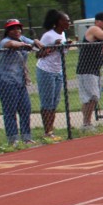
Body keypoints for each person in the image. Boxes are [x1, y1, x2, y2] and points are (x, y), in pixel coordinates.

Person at [0, 19, 42, 146]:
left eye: (18, 28)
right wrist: (22, 45)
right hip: (6, 80)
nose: (16, 31)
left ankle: (26, 138)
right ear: (8, 31)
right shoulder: (5, 41)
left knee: (25, 108)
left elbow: (34, 43)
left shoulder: (22, 38)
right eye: (13, 29)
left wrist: (35, 41)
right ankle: (13, 140)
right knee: (10, 110)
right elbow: (11, 44)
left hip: (20, 80)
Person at [35, 9, 72, 139]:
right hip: (46, 70)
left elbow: (61, 53)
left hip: (58, 70)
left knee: (55, 102)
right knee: (47, 102)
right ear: (59, 22)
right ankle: (47, 132)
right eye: (67, 20)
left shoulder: (63, 34)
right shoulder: (48, 36)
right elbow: (38, 54)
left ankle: (51, 130)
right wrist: (54, 47)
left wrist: (65, 46)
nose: (69, 22)